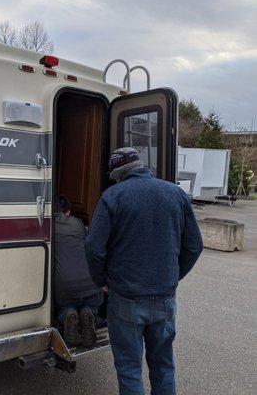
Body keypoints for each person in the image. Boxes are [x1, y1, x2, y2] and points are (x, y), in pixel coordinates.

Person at [85, 147, 203, 395]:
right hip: (165, 297)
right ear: (141, 166)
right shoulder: (176, 193)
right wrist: (172, 276)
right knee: (164, 365)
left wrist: (102, 281)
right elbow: (194, 246)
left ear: (118, 174)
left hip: (126, 297)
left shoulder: (112, 196)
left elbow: (94, 248)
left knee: (129, 368)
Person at [54, 195, 104, 347]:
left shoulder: (48, 226)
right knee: (95, 301)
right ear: (68, 212)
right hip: (89, 282)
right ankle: (89, 312)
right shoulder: (78, 223)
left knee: (63, 304)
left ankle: (68, 314)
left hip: (65, 285)